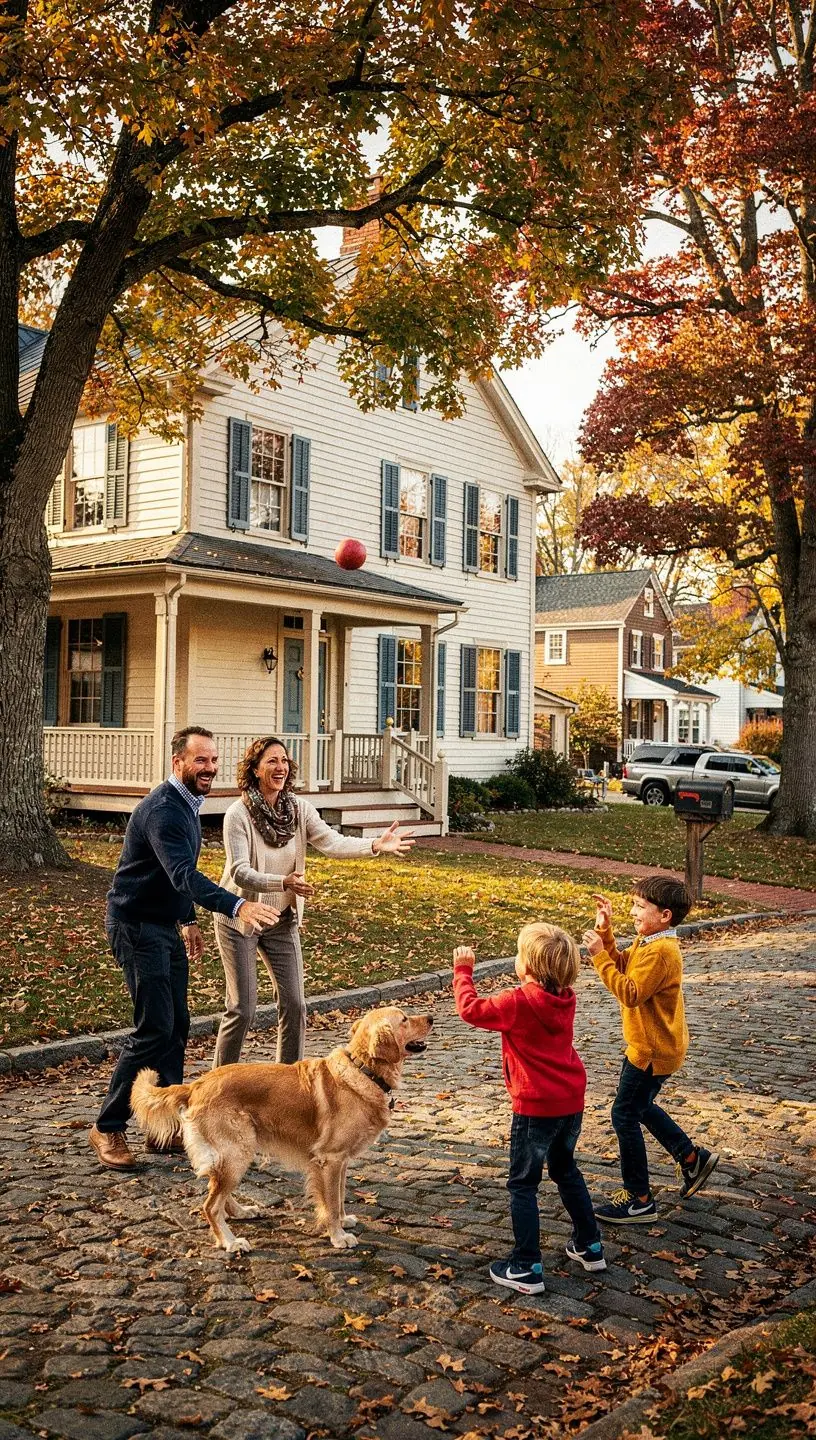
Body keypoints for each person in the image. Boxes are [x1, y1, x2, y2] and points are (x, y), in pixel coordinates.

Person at [89, 727, 281, 1171]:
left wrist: (187, 918)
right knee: (153, 1027)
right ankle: (108, 1125)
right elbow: (182, 875)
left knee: (177, 1024)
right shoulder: (164, 809)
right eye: (201, 760)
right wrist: (235, 904)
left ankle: (169, 1127)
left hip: (161, 924)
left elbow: (172, 874)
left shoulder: (186, 804)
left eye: (213, 760)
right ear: (178, 762)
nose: (210, 768)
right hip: (136, 927)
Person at [212, 736, 415, 1067]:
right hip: (241, 918)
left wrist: (376, 844)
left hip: (280, 919)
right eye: (271, 761)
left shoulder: (298, 810)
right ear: (255, 769)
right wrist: (284, 881)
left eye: (285, 761)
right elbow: (239, 872)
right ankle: (217, 1086)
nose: (280, 767)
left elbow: (332, 842)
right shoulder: (238, 814)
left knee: (295, 1005)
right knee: (243, 1008)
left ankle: (289, 1084)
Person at [453, 923, 605, 1296]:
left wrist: (463, 971)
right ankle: (590, 1244)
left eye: (519, 954)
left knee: (523, 1183)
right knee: (566, 1170)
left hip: (535, 1107)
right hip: (570, 1102)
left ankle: (525, 1265)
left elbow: (469, 1010)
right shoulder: (565, 998)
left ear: (529, 967)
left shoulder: (516, 1002)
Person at [582, 877, 719, 1224]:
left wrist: (599, 958)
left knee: (624, 1114)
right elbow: (625, 964)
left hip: (651, 1050)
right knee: (639, 1106)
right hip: (653, 1044)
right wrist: (607, 934)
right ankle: (691, 1158)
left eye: (640, 907)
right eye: (633, 905)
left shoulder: (661, 951)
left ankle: (639, 1198)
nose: (633, 912)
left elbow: (630, 991)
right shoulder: (651, 941)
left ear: (665, 915)